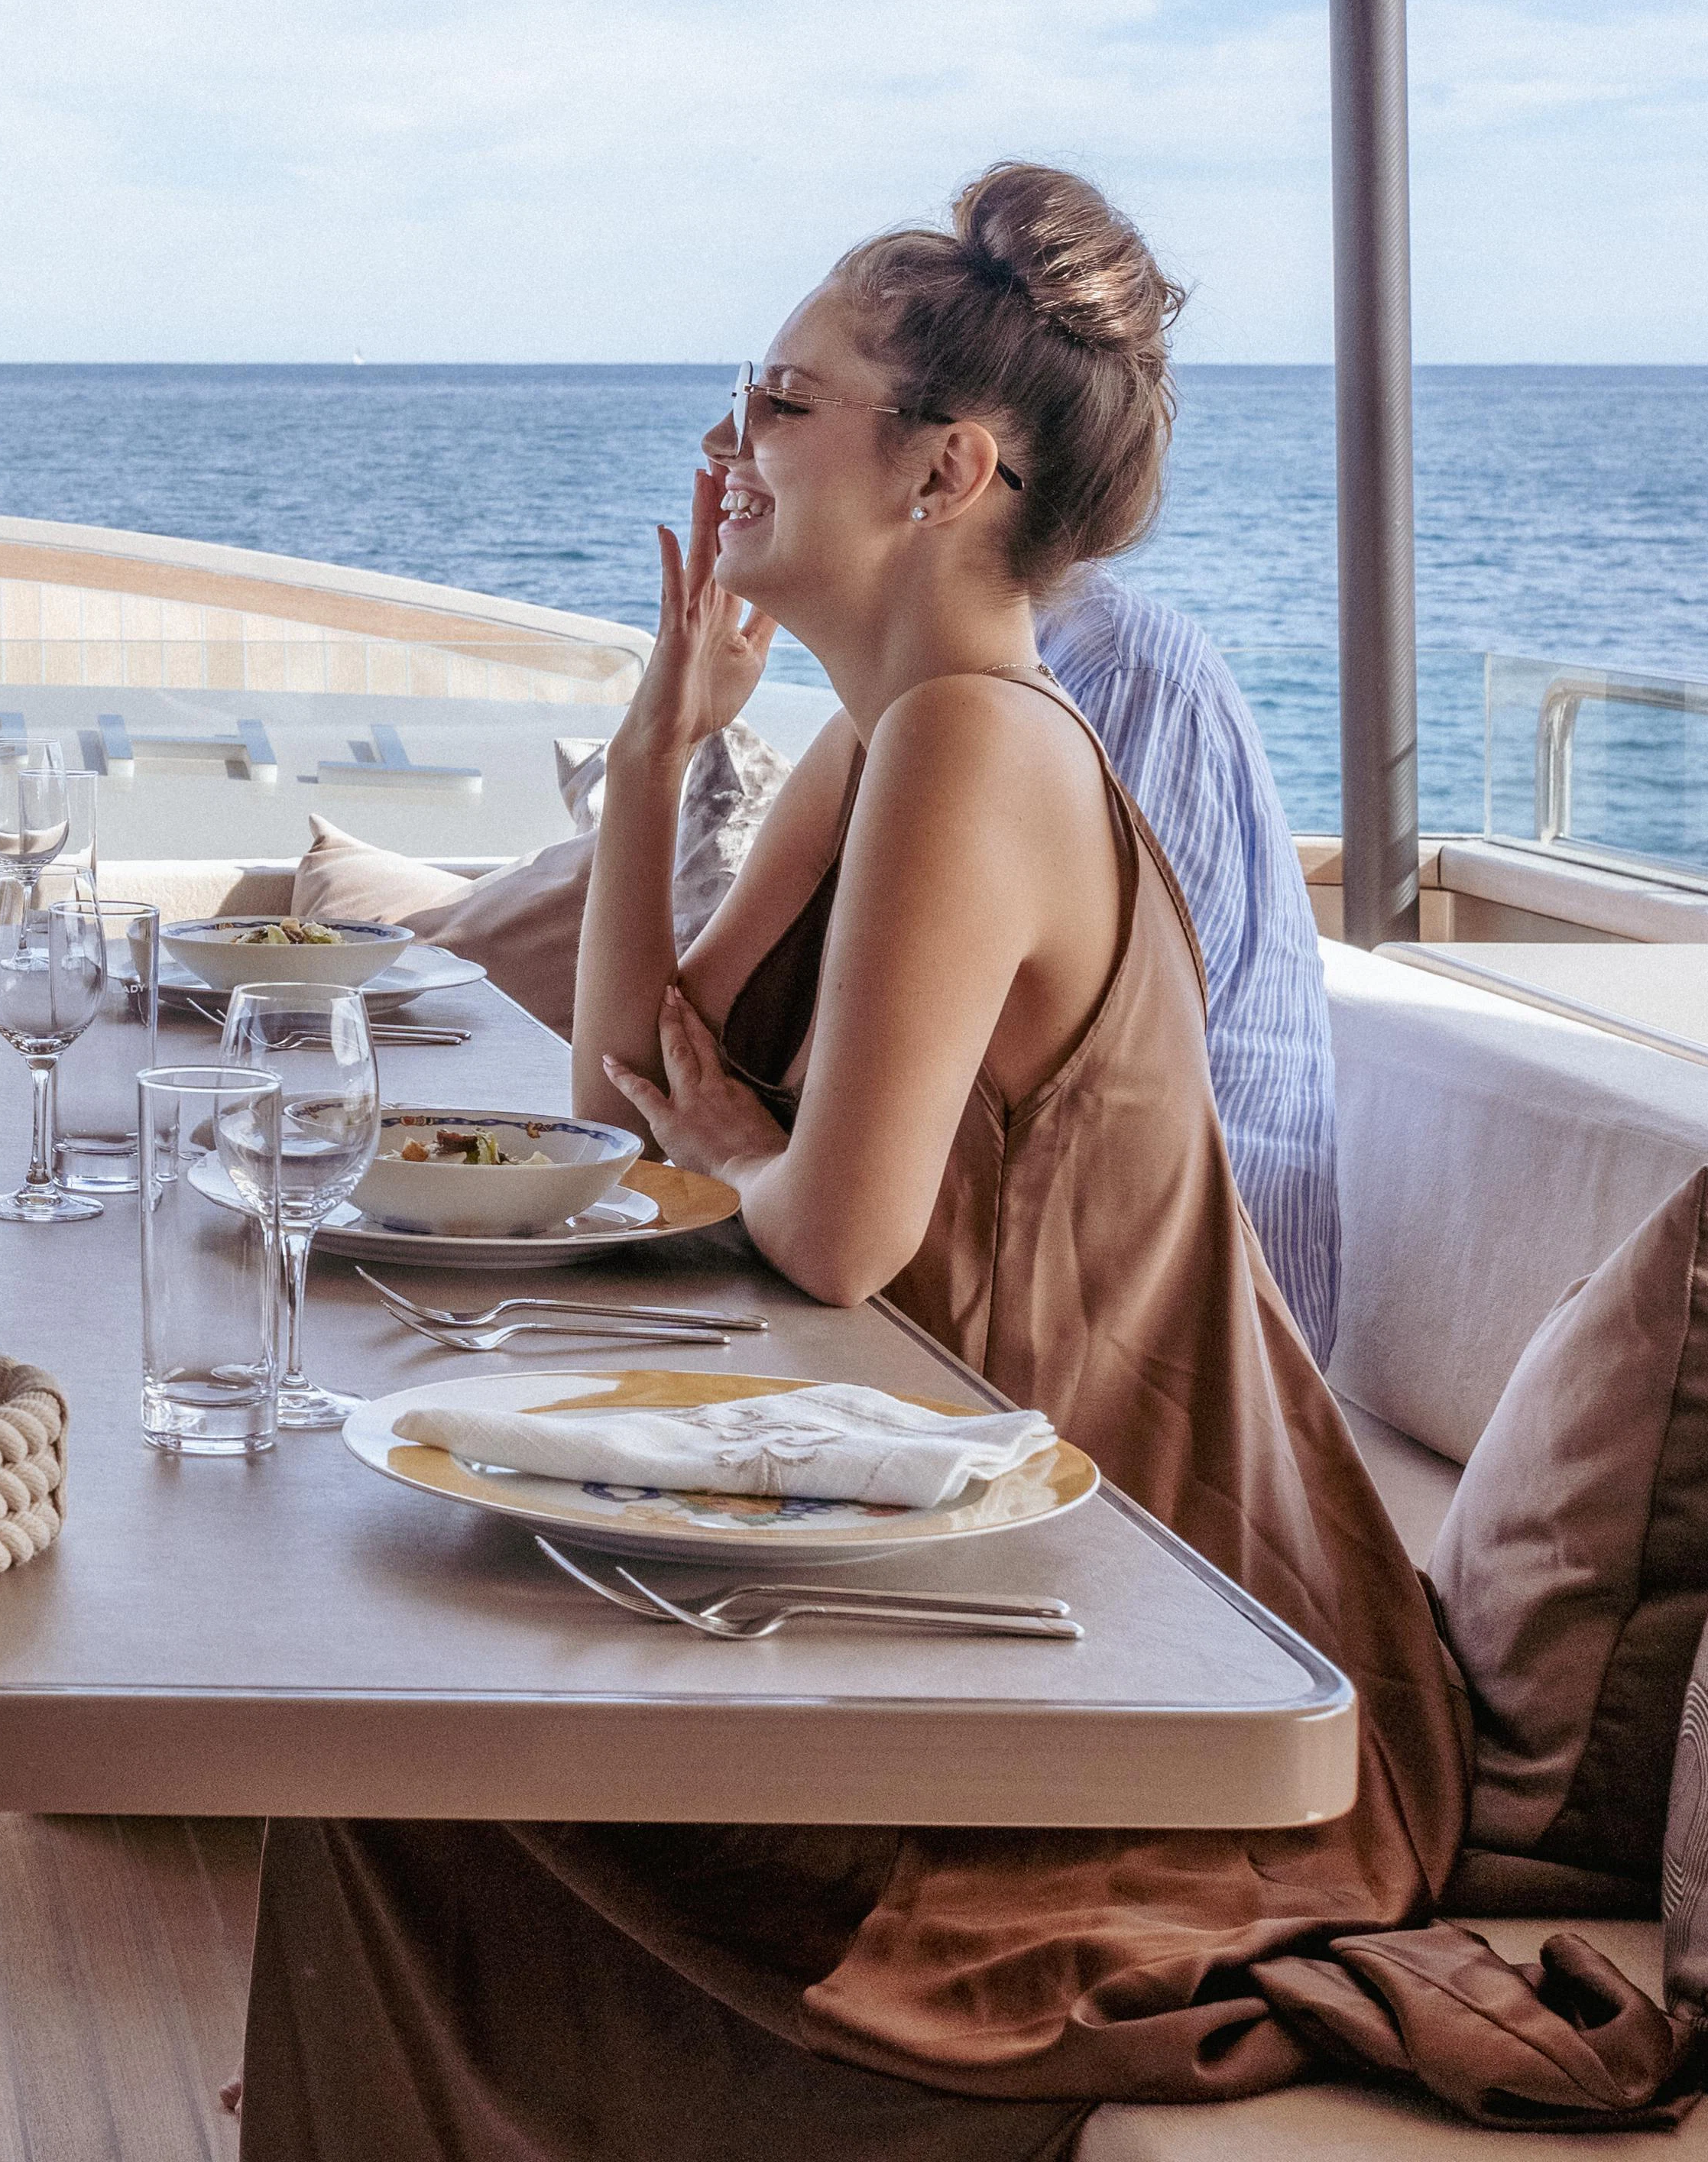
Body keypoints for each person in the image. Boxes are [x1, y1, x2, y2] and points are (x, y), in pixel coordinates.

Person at [238, 165, 1467, 2160]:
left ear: (939, 473)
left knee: (396, 1751)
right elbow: (633, 1077)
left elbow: (823, 1238)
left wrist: (748, 1143)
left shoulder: (974, 744)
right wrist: (660, 738)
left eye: (782, 400)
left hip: (1101, 1663)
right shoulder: (889, 735)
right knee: (382, 1711)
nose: (727, 443)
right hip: (923, 1534)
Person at [1038, 570, 1345, 1348]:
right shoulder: (938, 693)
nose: (720, 448)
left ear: (946, 473)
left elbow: (1089, 1097)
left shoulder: (1122, 678)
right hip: (1061, 1281)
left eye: (765, 434)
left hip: (1181, 1347)